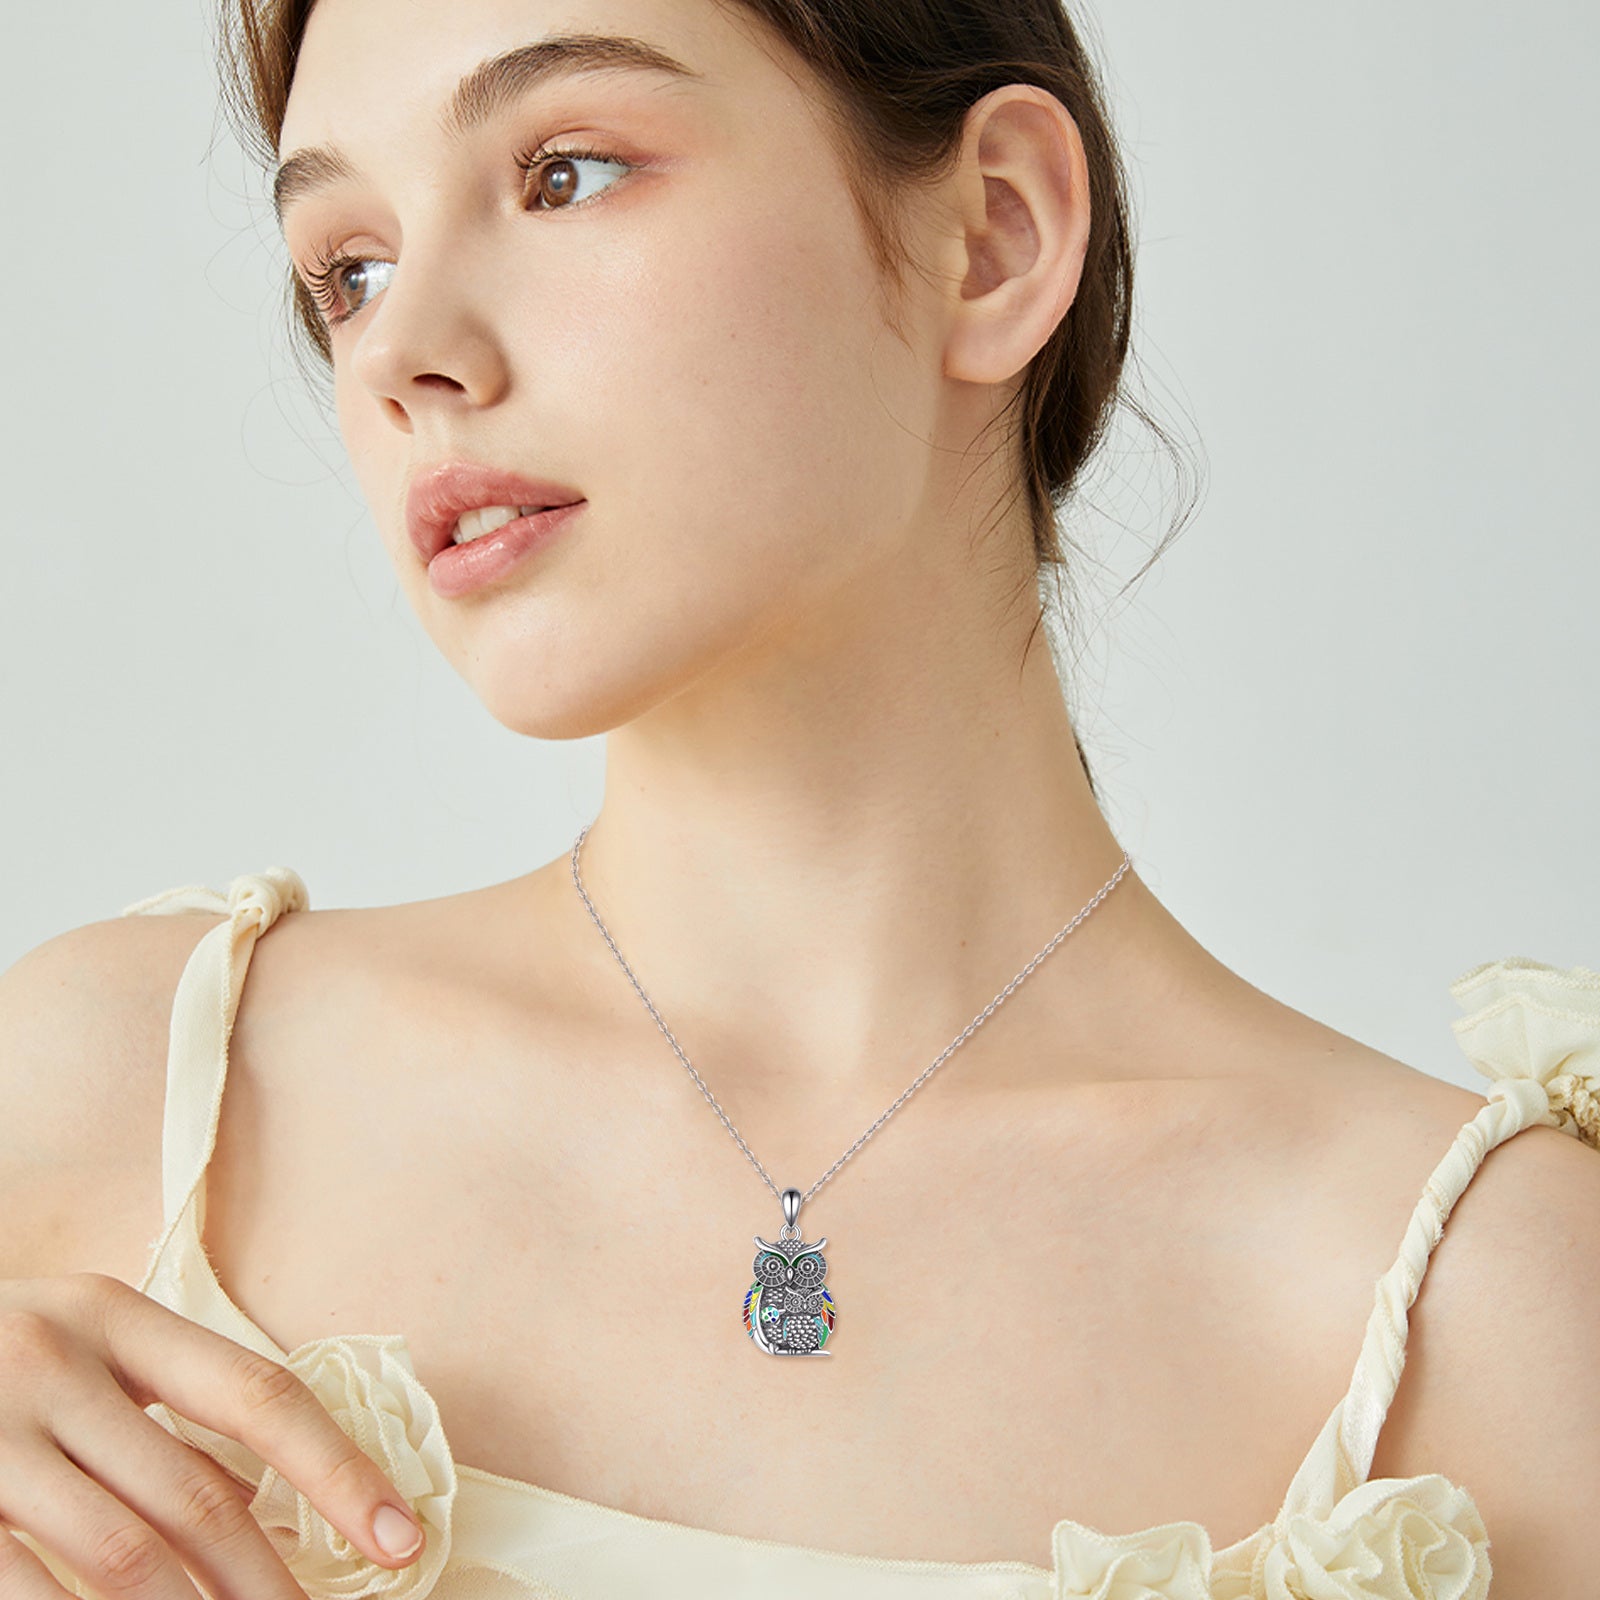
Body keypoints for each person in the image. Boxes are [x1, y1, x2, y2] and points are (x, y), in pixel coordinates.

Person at [1, 0, 1596, 1594]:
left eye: (564, 175)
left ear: (994, 235)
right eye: (347, 268)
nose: (404, 353)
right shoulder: (125, 1101)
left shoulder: (1491, 1315)